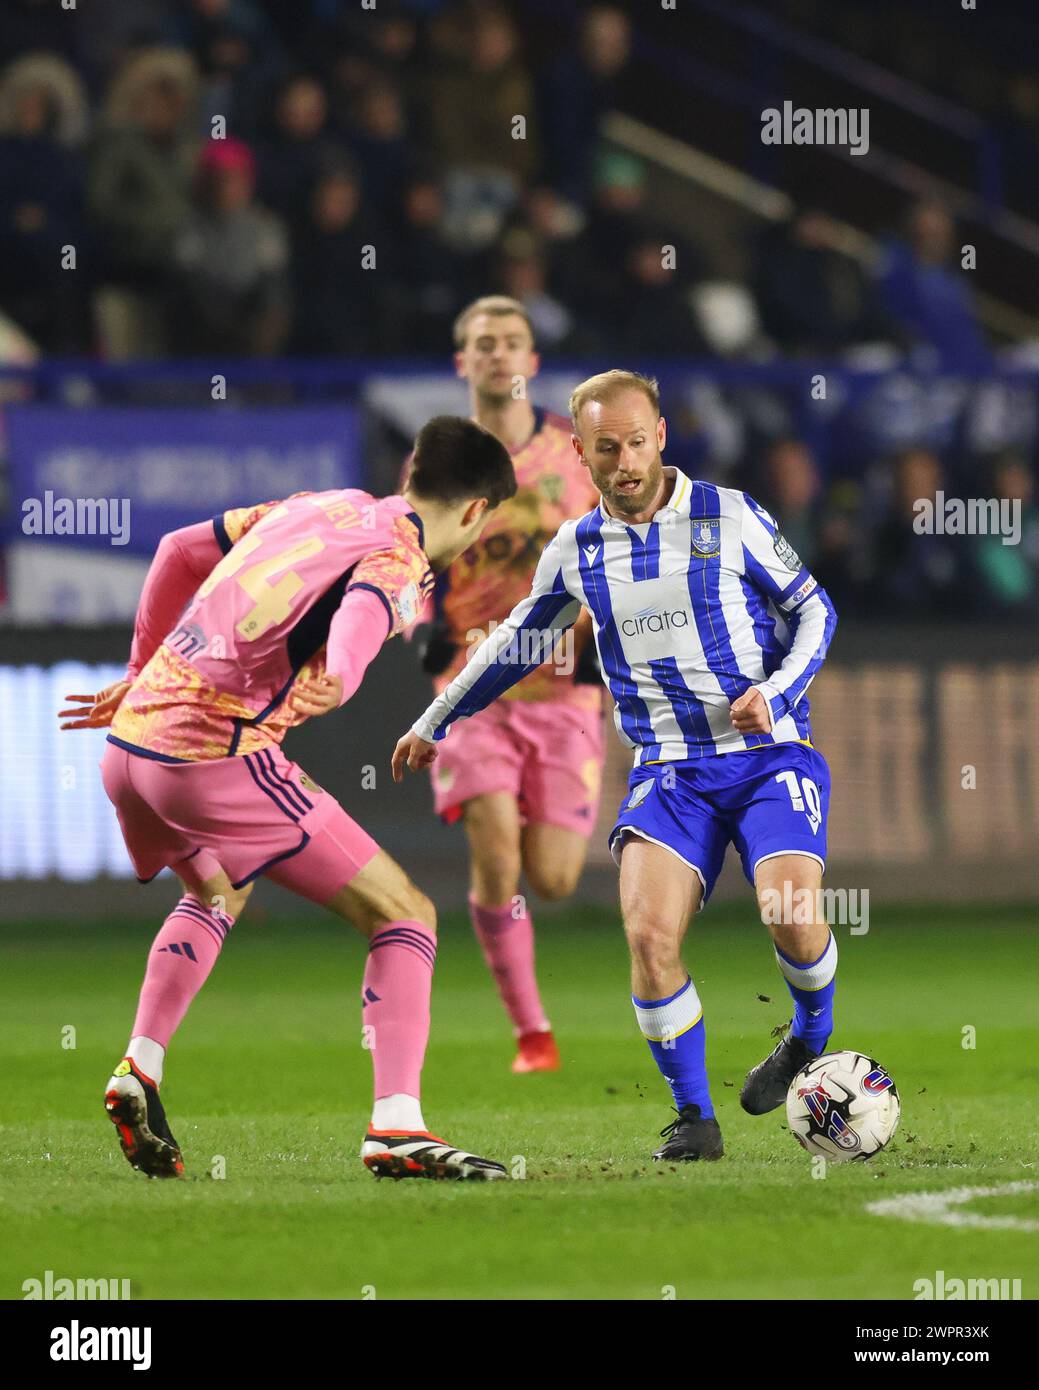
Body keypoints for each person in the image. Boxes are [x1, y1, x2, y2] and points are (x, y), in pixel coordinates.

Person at [393, 371, 839, 1162]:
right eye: (608, 448)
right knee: (647, 935)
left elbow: (814, 608)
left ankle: (808, 1034)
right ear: (581, 453)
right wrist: (435, 720)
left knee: (789, 914)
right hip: (668, 772)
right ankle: (695, 1120)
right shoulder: (576, 548)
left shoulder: (727, 516)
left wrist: (775, 693)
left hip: (767, 755)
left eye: (637, 442)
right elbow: (515, 644)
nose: (626, 460)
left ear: (661, 436)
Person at [59, 416, 517, 1183]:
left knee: (214, 891)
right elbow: (365, 608)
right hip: (211, 755)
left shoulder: (321, 503)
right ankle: (396, 1126)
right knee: (405, 914)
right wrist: (346, 667)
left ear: (410, 469)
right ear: (475, 512)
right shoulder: (399, 556)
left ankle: (138, 1068)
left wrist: (140, 670)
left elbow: (176, 550)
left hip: (128, 749)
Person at [404, 295, 605, 1073]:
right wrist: (421, 623)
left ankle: (530, 1009)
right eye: (482, 344)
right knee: (494, 855)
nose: (497, 354)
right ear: (462, 364)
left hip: (563, 693)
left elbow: (615, 549)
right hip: (473, 687)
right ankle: (532, 1033)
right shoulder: (439, 459)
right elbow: (412, 553)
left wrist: (604, 640)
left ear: (532, 362)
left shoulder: (574, 455)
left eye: (510, 342)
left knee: (551, 879)